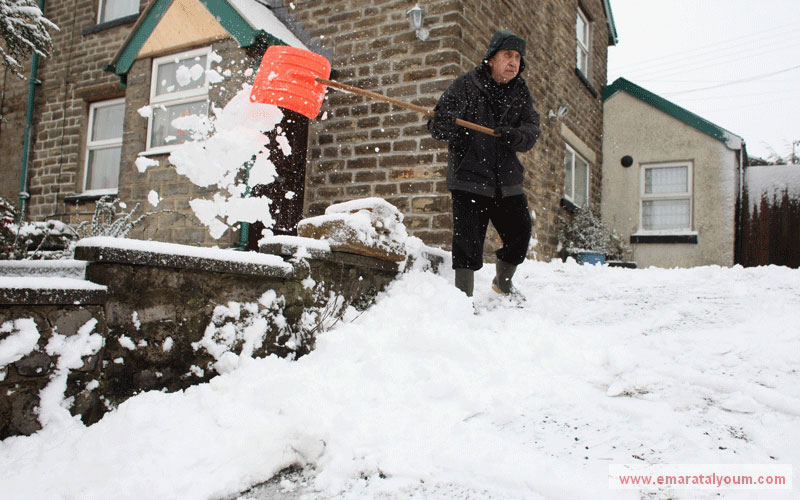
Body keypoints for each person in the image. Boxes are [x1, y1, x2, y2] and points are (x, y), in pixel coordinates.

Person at [427, 29, 541, 299]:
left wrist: (514, 135)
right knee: (467, 245)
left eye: (518, 57)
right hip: (469, 176)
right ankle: (462, 301)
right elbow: (436, 125)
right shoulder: (465, 86)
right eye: (507, 55)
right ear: (491, 58)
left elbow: (531, 130)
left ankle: (503, 283)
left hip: (507, 180)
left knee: (520, 234)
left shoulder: (521, 93)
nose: (514, 62)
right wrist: (446, 123)